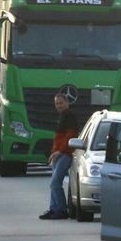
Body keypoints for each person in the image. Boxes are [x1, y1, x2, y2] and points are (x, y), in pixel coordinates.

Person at [40, 92, 80, 220]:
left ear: (67, 103)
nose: (59, 105)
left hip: (65, 154)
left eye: (61, 103)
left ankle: (62, 210)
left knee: (55, 183)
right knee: (53, 183)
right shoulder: (62, 116)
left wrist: (60, 151)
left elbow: (70, 137)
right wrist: (53, 153)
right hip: (57, 154)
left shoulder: (70, 117)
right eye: (56, 103)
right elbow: (58, 138)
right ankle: (53, 209)